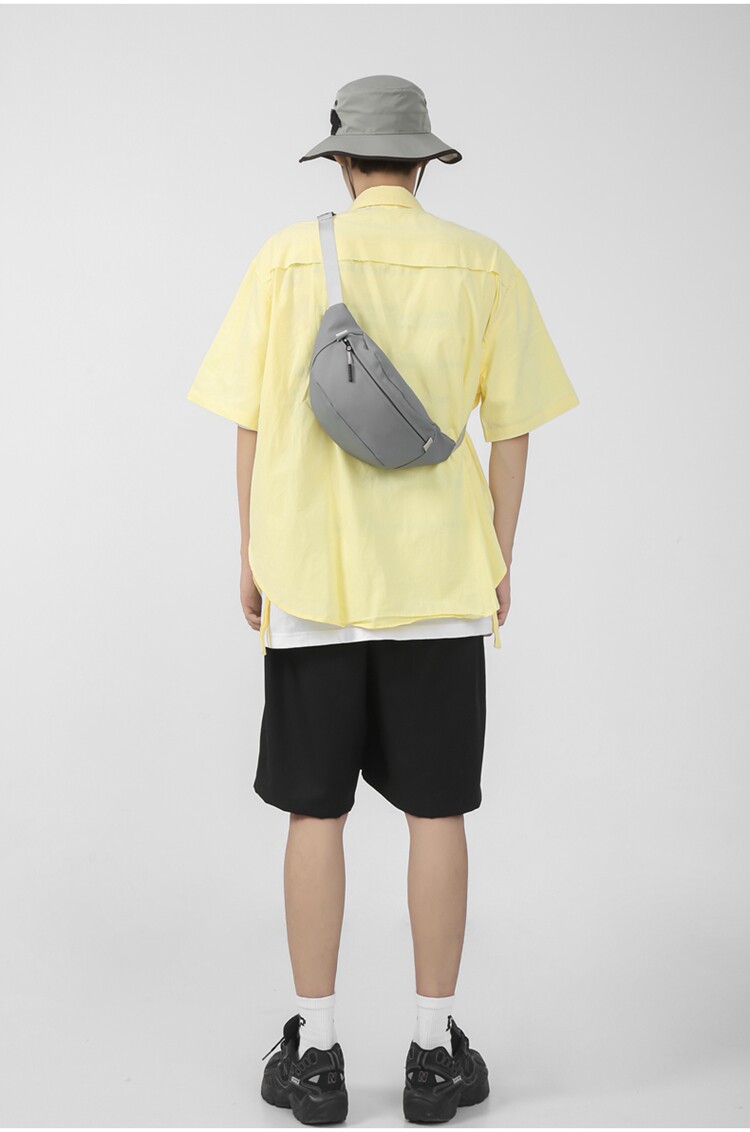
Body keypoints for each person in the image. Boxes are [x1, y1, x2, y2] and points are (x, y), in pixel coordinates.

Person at [186, 74, 580, 1126]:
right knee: (437, 809)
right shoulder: (483, 264)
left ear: (343, 162)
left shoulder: (284, 259)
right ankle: (433, 1052)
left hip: (312, 578)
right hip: (439, 585)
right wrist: (497, 556)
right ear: (424, 162)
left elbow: (249, 421)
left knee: (314, 809)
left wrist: (252, 553)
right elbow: (514, 429)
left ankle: (315, 1053)